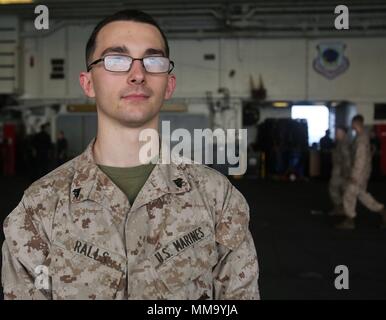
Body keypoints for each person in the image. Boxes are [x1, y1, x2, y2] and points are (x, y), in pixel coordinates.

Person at [2, 9, 259, 300]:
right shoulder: (38, 209)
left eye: (153, 61)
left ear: (169, 85)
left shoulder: (217, 199)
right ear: (88, 83)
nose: (137, 74)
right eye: (116, 60)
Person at [336, 115, 386, 229]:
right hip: (363, 173)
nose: (351, 126)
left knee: (349, 194)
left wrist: (355, 175)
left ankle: (350, 220)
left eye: (352, 123)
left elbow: (360, 159)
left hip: (360, 174)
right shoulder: (362, 137)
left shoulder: (361, 139)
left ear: (356, 124)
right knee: (362, 195)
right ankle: (382, 211)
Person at [328, 126, 351, 216]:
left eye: (338, 132)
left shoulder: (344, 144)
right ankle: (341, 208)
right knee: (336, 189)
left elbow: (347, 160)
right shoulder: (340, 143)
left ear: (344, 133)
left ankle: (343, 210)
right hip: (339, 171)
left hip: (341, 172)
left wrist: (346, 174)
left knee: (336, 189)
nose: (336, 134)